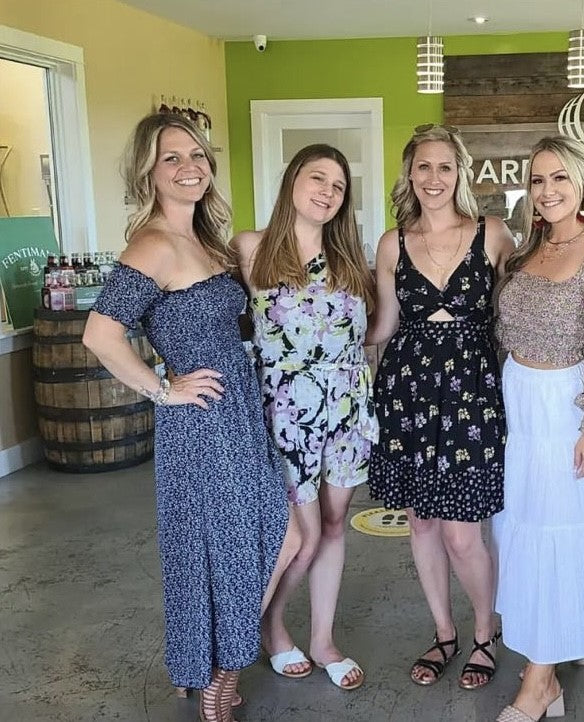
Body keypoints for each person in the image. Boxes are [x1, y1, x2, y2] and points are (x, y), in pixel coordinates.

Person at [82, 113, 300, 722]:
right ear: (148, 172)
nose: (189, 167)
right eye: (172, 158)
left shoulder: (207, 241)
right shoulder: (151, 245)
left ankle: (205, 662)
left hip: (240, 415)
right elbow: (99, 335)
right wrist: (163, 389)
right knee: (242, 546)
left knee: (257, 539)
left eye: (197, 155)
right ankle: (220, 679)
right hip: (201, 423)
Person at [365, 124, 514, 690]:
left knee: (462, 532)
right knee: (421, 521)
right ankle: (444, 633)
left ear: (460, 173)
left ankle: (485, 632)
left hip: (472, 392)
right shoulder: (392, 243)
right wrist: (323, 345)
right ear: (409, 173)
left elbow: (517, 312)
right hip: (406, 392)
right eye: (423, 166)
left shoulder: (492, 234)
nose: (433, 178)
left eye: (444, 166)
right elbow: (384, 325)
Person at [491, 135, 584, 722]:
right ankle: (547, 655)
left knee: (558, 533)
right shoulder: (525, 252)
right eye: (537, 179)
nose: (547, 191)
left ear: (581, 185)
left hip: (567, 409)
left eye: (559, 178)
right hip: (519, 406)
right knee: (524, 533)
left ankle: (539, 682)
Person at [232, 144, 377, 691]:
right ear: (292, 180)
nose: (327, 192)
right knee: (304, 534)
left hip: (346, 412)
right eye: (318, 178)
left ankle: (322, 639)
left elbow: (370, 333)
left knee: (335, 525)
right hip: (285, 414)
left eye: (338, 186)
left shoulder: (351, 258)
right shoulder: (251, 248)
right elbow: (206, 313)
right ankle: (269, 628)